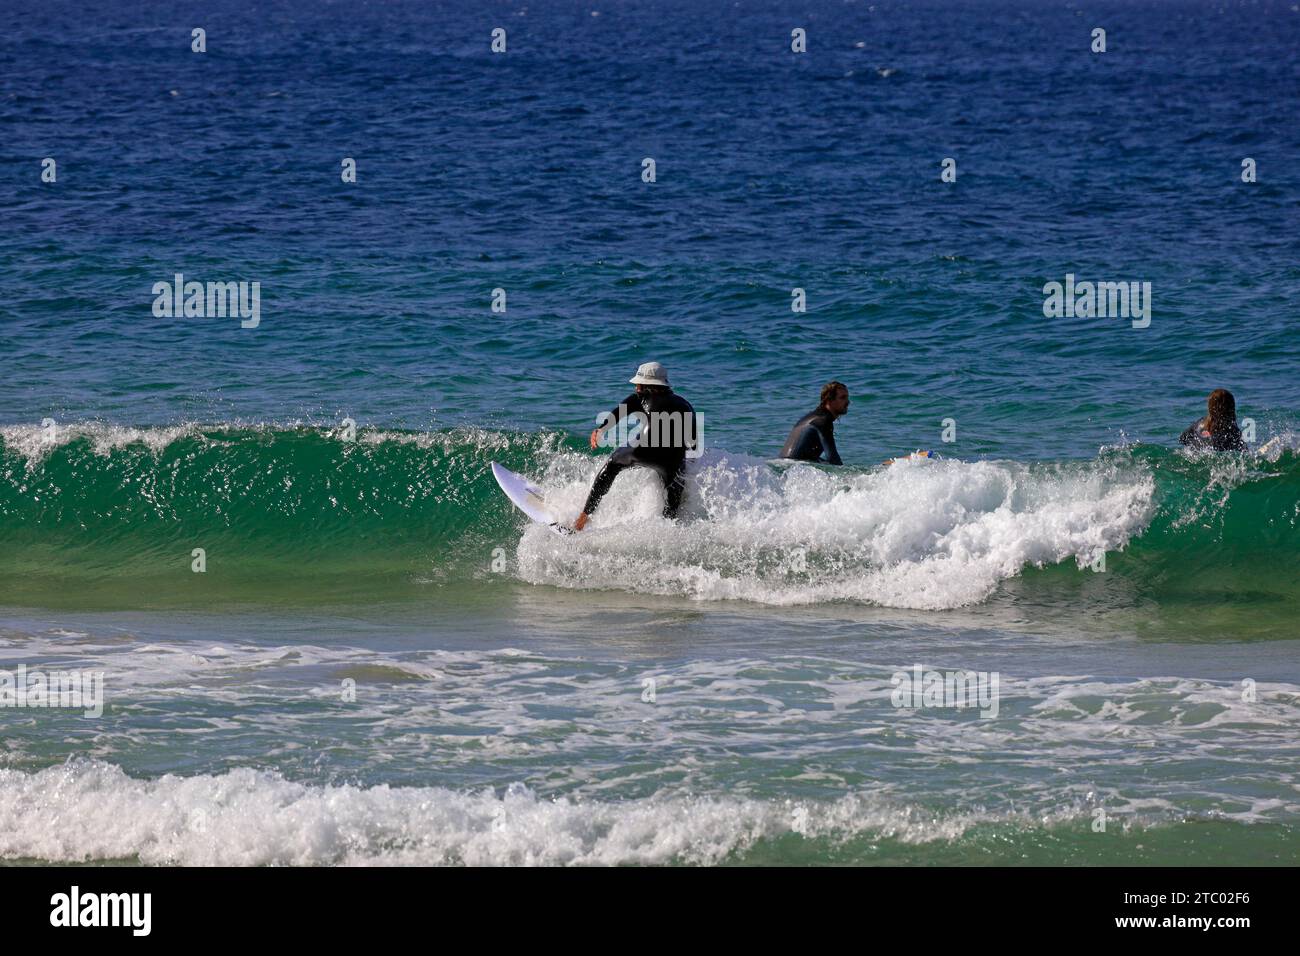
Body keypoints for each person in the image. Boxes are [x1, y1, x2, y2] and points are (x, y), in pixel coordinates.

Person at [573, 362, 697, 531]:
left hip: (642, 450)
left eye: (638, 384)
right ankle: (668, 534)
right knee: (672, 499)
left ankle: (582, 519)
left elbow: (618, 413)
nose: (636, 388)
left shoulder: (641, 397)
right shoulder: (686, 405)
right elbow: (693, 442)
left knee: (613, 464)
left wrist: (600, 429)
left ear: (647, 386)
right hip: (672, 459)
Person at [779, 381, 849, 465]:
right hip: (792, 468)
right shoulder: (823, 421)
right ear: (829, 400)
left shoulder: (813, 417)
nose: (848, 402)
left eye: (847, 397)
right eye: (843, 398)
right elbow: (833, 460)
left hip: (784, 465)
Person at [1179, 388, 1247, 451]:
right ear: (1231, 408)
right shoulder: (1232, 430)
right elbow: (1244, 451)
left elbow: (1182, 439)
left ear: (1210, 406)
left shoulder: (1200, 423)